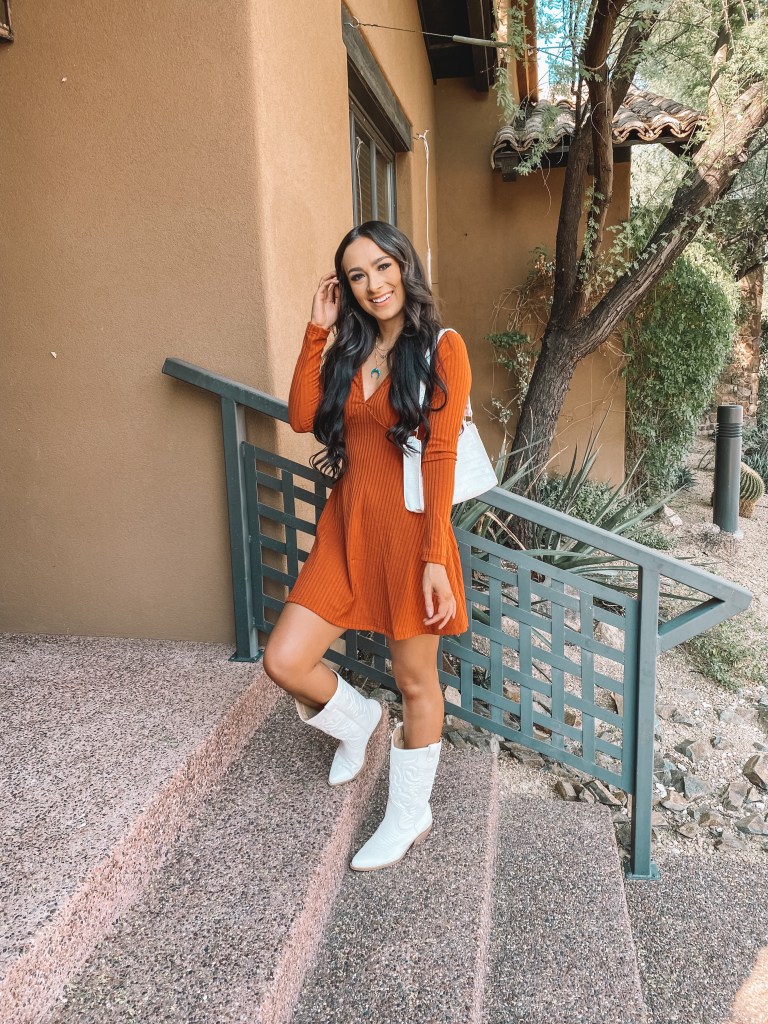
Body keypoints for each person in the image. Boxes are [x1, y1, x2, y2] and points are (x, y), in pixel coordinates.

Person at [263, 221, 471, 871]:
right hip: (346, 531)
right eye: (357, 275)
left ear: (404, 266)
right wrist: (316, 329)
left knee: (416, 681)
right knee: (285, 660)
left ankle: (410, 814)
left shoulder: (442, 348)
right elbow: (303, 417)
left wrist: (435, 558)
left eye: (382, 266)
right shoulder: (350, 349)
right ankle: (358, 722)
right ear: (346, 288)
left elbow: (440, 455)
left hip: (412, 539)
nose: (374, 284)